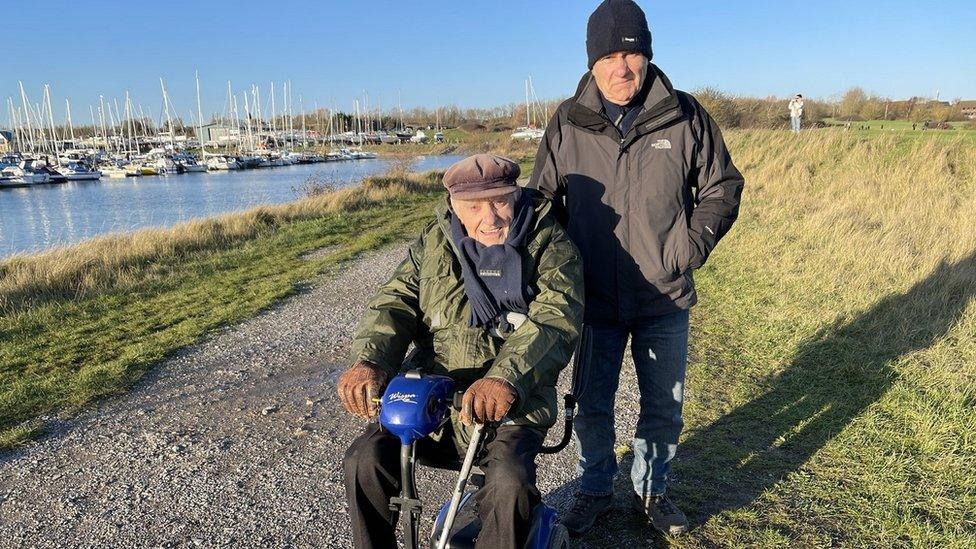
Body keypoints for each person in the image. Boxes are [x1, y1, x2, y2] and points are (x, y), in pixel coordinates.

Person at [526, 0, 744, 537]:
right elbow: (541, 203)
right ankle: (596, 487)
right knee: (594, 407)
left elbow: (723, 187)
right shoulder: (567, 121)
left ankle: (654, 491)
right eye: (610, 57)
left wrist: (688, 247)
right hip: (594, 299)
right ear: (592, 62)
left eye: (633, 55)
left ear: (647, 56)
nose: (622, 68)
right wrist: (557, 270)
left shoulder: (686, 114)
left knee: (663, 408)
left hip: (663, 296)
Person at [339, 154, 584, 549]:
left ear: (517, 196)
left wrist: (506, 378)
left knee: (510, 484)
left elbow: (556, 320)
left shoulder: (550, 242)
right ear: (454, 206)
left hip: (513, 400)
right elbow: (394, 303)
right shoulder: (434, 241)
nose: (491, 218)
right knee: (362, 460)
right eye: (474, 207)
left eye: (501, 202)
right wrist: (370, 360)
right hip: (434, 394)